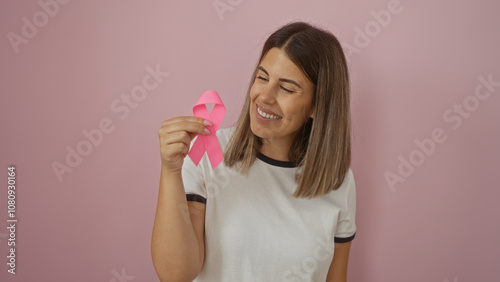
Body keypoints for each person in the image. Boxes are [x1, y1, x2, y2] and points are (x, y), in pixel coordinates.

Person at [152, 21, 356, 282]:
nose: (264, 96)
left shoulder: (339, 182)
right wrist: (170, 171)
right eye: (262, 77)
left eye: (286, 87)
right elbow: (176, 275)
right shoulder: (206, 153)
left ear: (318, 106)